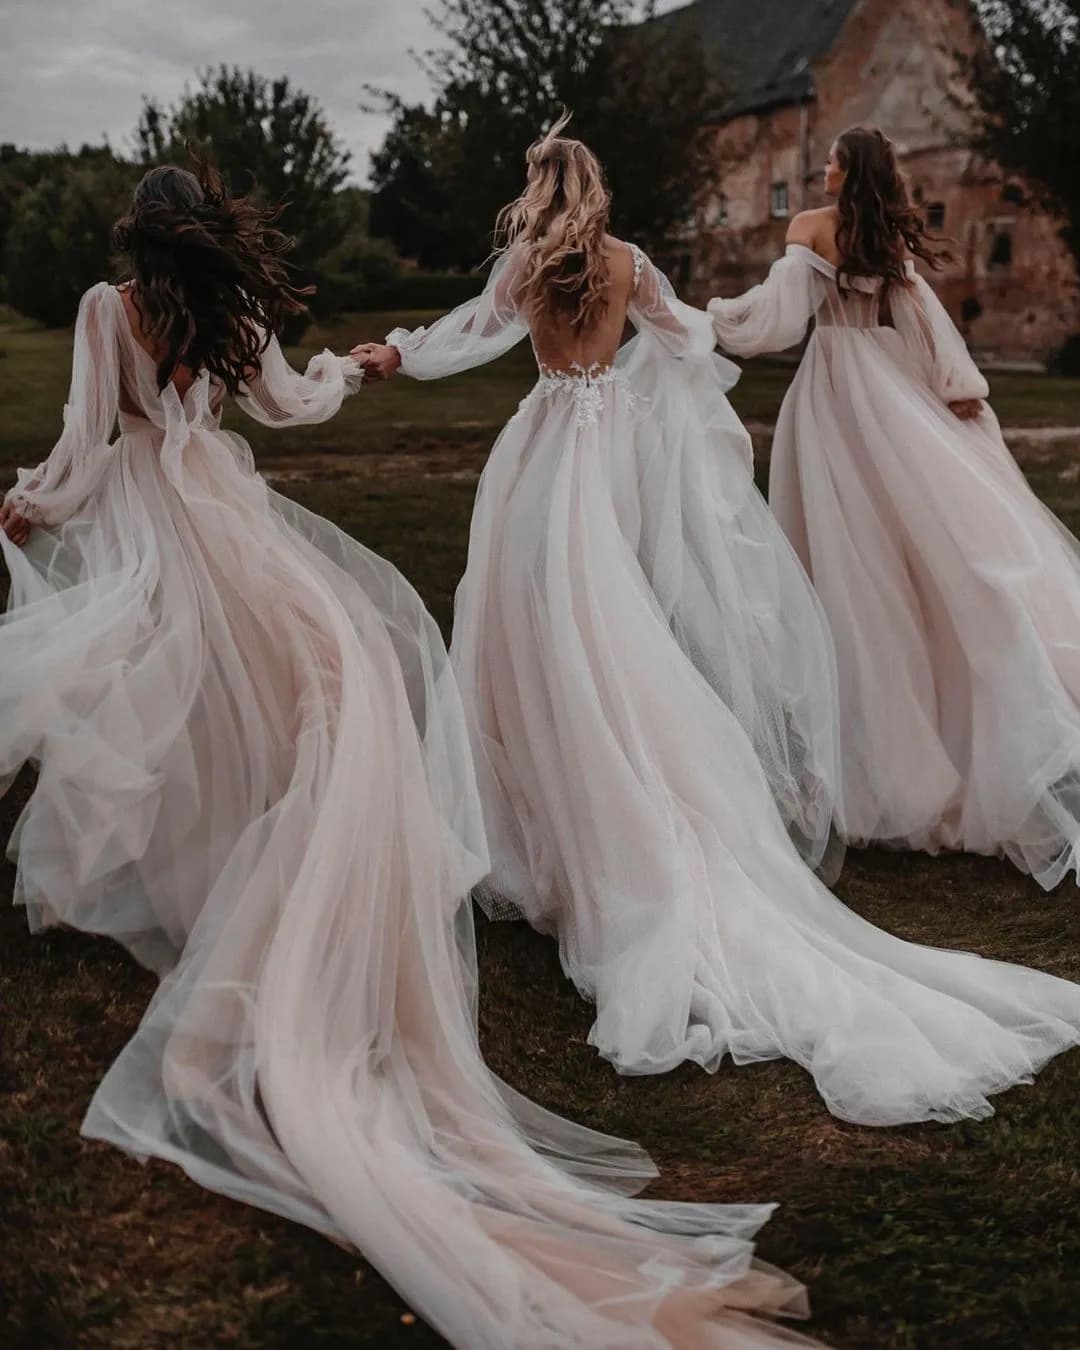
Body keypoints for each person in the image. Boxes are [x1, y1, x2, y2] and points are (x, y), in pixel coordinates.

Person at [0, 158, 818, 1350]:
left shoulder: (99, 311)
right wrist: (340, 368)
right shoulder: (230, 318)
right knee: (305, 687)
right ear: (209, 238)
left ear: (139, 236)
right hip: (229, 515)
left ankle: (207, 885)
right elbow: (287, 405)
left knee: (181, 689)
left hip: (151, 524)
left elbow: (81, 451)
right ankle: (234, 876)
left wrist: (28, 501)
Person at [357, 119, 1080, 1122]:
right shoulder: (625, 262)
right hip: (605, 453)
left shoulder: (525, 267)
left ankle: (545, 820)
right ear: (599, 187)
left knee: (529, 622)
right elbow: (690, 336)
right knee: (605, 621)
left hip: (540, 455)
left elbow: (461, 337)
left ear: (536, 192)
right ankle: (601, 803)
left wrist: (390, 355)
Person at [709, 125, 1080, 889]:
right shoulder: (885, 236)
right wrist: (958, 393)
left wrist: (709, 322)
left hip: (838, 399)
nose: (820, 170)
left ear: (848, 170)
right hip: (888, 389)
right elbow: (922, 322)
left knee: (849, 565)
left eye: (830, 161)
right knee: (914, 560)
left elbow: (779, 322)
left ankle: (879, 767)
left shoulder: (812, 228)